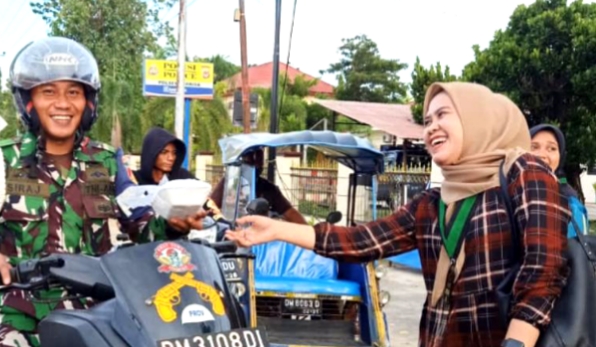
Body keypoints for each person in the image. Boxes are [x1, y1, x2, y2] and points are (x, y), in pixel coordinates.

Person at [227, 82, 571, 347]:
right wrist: (275, 230)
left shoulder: (522, 173)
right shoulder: (431, 203)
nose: (432, 127)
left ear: (477, 119)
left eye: (443, 115)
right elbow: (361, 241)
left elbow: (543, 268)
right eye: (427, 120)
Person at [0, 37, 204, 347]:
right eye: (48, 92)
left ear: (88, 102)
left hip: (102, 311)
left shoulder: (108, 161)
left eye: (74, 92)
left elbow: (140, 223)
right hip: (23, 313)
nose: (63, 103)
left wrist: (172, 224)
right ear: (28, 101)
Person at [210, 148, 307, 225]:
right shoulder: (230, 182)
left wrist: (309, 233)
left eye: (259, 158)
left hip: (261, 240)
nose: (256, 163)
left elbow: (290, 213)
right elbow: (210, 205)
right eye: (251, 158)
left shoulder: (268, 188)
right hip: (232, 234)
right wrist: (221, 221)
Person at [529, 124, 588, 237]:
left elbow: (576, 249)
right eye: (534, 147)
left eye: (552, 148)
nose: (542, 155)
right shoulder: (506, 193)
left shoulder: (570, 201)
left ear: (560, 156)